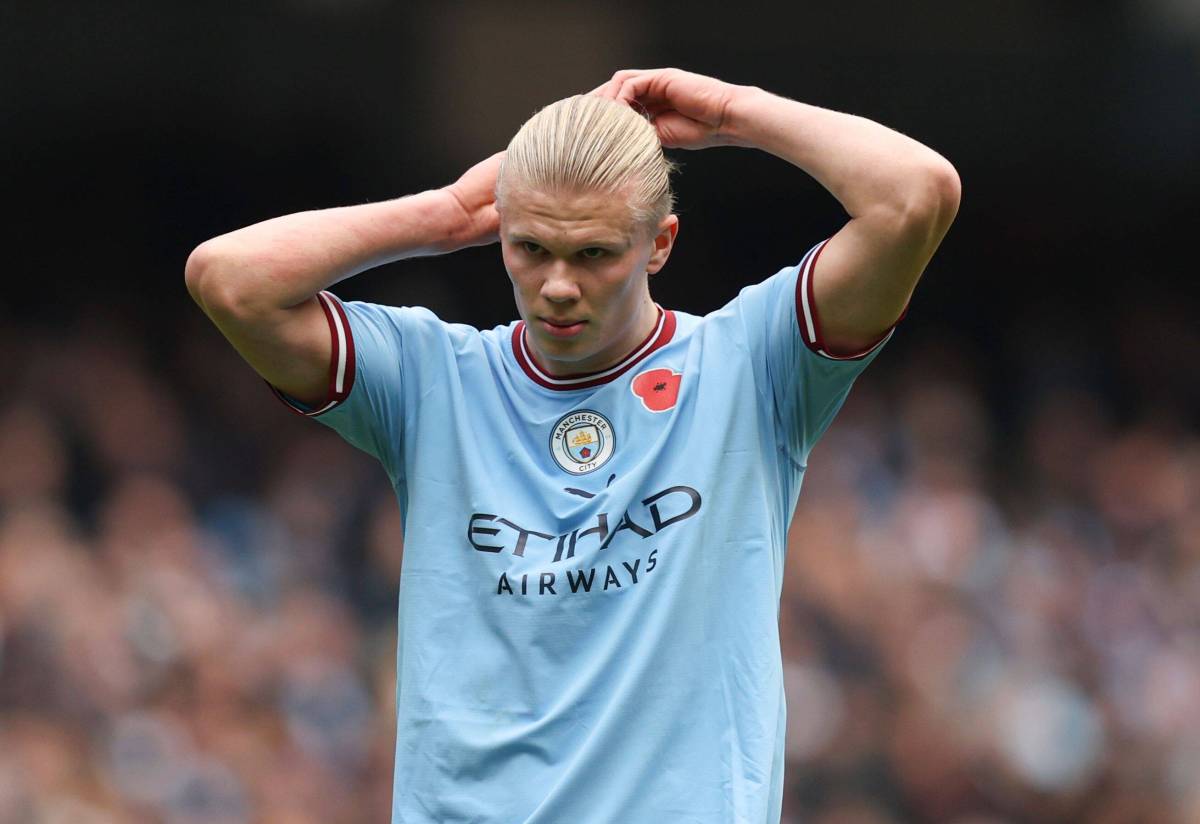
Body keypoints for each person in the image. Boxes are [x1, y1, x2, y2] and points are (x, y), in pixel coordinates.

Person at [185, 67, 959, 824]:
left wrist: (733, 112)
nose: (557, 285)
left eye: (593, 253)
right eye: (530, 248)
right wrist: (444, 214)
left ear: (660, 243)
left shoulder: (749, 365)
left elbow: (915, 195)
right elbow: (230, 280)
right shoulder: (433, 380)